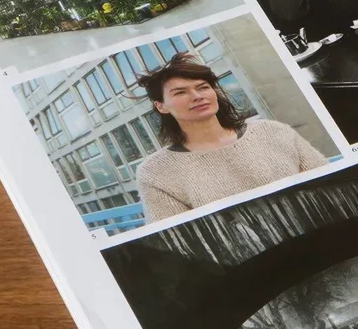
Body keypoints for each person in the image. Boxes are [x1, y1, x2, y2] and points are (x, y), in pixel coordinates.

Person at [133, 52, 328, 221]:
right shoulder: (155, 172)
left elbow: (329, 182)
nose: (197, 96)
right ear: (161, 106)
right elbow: (178, 238)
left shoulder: (273, 131)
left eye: (203, 87)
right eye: (180, 92)